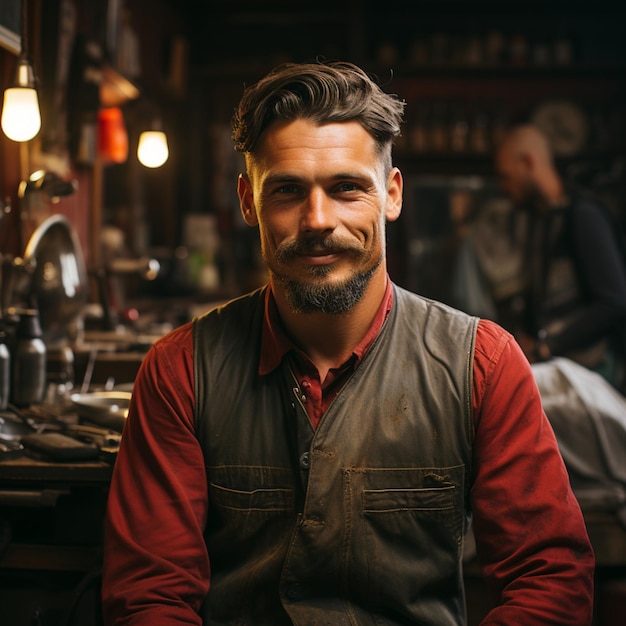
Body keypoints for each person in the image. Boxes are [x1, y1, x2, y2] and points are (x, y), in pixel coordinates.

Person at [102, 61, 594, 625]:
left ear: (392, 194)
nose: (318, 220)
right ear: (247, 200)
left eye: (346, 188)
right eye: (287, 190)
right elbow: (148, 597)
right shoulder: (180, 370)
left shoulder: (483, 364)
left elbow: (549, 579)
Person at [494, 123, 626, 389]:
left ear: (528, 162)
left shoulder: (583, 216)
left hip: (591, 376)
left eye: (506, 176)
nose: (503, 186)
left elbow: (614, 302)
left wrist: (548, 346)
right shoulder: (540, 219)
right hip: (561, 369)